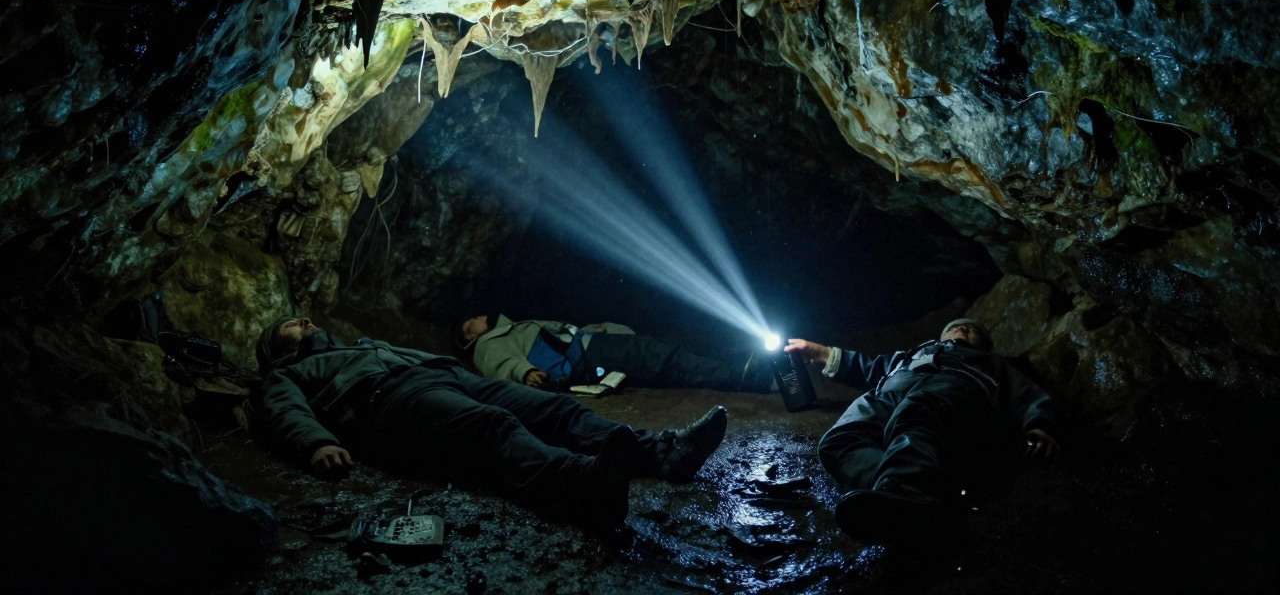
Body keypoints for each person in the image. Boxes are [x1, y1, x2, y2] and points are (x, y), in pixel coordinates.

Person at [255, 315, 729, 530]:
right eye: (290, 326)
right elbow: (282, 408)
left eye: (305, 319)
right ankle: (584, 486)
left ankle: (664, 452)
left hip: (446, 377)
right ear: (276, 348)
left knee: (555, 410)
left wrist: (458, 370)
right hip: (392, 401)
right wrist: (315, 441)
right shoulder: (289, 372)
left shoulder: (359, 345)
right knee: (492, 427)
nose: (306, 323)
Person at [784, 318, 1060, 545]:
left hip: (948, 388)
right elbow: (867, 367)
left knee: (918, 413)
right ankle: (909, 497)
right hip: (888, 394)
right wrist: (819, 352)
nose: (963, 328)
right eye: (956, 326)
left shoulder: (992, 364)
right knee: (836, 442)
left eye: (973, 330)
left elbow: (1028, 394)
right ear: (940, 336)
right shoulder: (911, 355)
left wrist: (1039, 426)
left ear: (985, 345)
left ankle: (905, 494)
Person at [458, 313, 775, 392]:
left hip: (587, 349)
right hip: (586, 358)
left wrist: (596, 328)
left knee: (659, 358)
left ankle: (737, 372)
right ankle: (743, 378)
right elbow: (499, 363)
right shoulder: (487, 343)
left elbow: (559, 333)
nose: (476, 317)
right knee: (658, 357)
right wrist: (523, 373)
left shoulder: (511, 328)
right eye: (470, 321)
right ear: (471, 335)